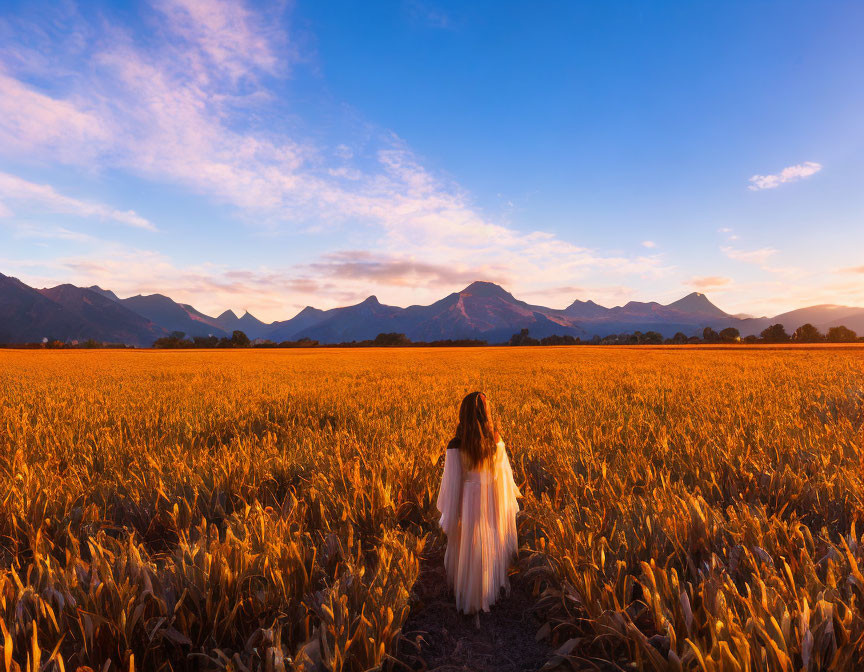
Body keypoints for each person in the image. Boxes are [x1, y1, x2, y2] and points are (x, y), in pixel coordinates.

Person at [436, 391, 521, 617]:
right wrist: (498, 503)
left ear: (463, 413)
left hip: (467, 497)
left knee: (467, 540)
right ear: (485, 413)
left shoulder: (456, 444)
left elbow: (452, 481)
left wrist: (452, 513)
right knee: (489, 538)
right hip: (489, 495)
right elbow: (501, 478)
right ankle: (485, 592)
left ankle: (468, 595)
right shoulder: (495, 440)